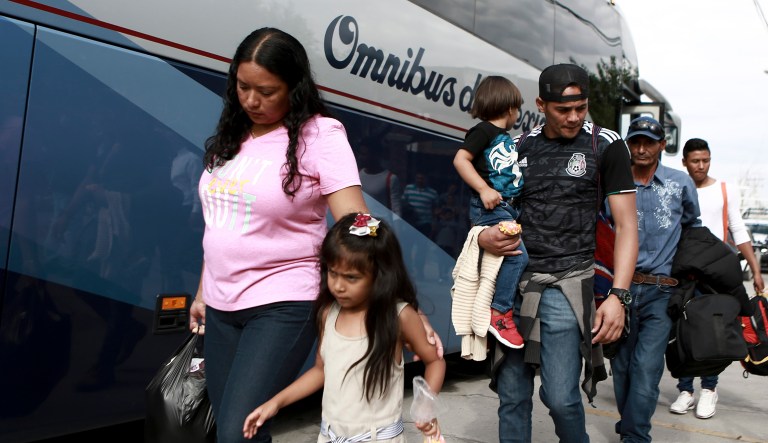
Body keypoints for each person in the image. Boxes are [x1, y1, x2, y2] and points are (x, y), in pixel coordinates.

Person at [188, 28, 442, 443]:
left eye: (267, 91)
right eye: (242, 87)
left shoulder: (320, 135)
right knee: (237, 427)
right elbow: (221, 222)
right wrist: (201, 292)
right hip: (220, 303)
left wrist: (404, 302)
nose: (251, 100)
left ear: (294, 88)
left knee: (237, 432)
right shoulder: (232, 138)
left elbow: (359, 227)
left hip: (283, 301)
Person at [479, 64, 638, 443]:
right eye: (562, 110)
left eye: (580, 108)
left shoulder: (607, 144)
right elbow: (490, 212)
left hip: (568, 286)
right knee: (512, 395)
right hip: (514, 286)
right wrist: (485, 236)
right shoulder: (517, 147)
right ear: (540, 104)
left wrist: (619, 296)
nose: (573, 118)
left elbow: (628, 227)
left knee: (562, 398)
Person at [242, 213, 446, 442]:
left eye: (351, 278)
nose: (338, 286)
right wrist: (275, 402)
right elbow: (321, 370)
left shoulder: (399, 316)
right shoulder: (328, 313)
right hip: (329, 436)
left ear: (380, 276)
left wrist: (426, 408)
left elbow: (435, 361)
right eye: (333, 273)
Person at [611, 116, 701, 442]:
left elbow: (693, 228)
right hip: (621, 290)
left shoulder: (680, 183)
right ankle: (630, 425)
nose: (641, 148)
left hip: (663, 293)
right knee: (620, 368)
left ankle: (635, 436)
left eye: (649, 142)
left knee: (646, 370)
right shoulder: (616, 183)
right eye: (635, 141)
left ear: (662, 145)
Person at [669, 137, 765, 419]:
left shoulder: (725, 189)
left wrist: (755, 268)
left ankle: (709, 390)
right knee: (683, 332)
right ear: (684, 162)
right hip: (684, 274)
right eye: (695, 161)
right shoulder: (677, 187)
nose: (701, 166)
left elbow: (737, 227)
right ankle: (685, 391)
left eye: (705, 160)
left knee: (715, 333)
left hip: (717, 275)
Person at [453, 75, 529, 349]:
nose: (517, 115)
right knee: (518, 256)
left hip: (506, 208)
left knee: (512, 256)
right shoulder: (483, 131)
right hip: (492, 209)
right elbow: (460, 159)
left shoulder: (502, 137)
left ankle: (495, 308)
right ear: (510, 109)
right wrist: (484, 188)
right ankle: (499, 313)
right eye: (518, 109)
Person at [401, 172, 439, 278]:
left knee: (422, 249)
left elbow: (435, 209)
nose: (419, 180)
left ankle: (419, 271)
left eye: (422, 178)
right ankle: (408, 270)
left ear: (426, 179)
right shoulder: (409, 189)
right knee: (408, 247)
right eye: (418, 178)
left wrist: (434, 223)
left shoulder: (432, 193)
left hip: (425, 223)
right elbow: (402, 203)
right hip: (410, 223)